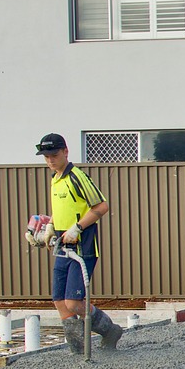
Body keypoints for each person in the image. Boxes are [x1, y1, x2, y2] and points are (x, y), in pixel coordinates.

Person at [36, 133, 123, 353]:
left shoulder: (77, 177)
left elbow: (101, 206)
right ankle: (78, 350)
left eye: (54, 155)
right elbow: (62, 210)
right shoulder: (56, 179)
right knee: (59, 300)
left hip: (82, 247)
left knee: (73, 302)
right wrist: (49, 226)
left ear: (65, 152)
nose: (50, 160)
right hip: (63, 247)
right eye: (46, 157)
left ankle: (109, 330)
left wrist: (78, 227)